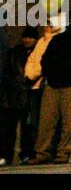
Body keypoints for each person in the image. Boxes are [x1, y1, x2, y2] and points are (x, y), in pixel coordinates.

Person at [31, 0, 71, 165]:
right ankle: (43, 153)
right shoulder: (57, 39)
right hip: (54, 84)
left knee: (69, 121)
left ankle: (62, 153)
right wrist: (50, 72)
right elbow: (45, 59)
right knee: (47, 121)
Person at [1, 28, 40, 166]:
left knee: (28, 127)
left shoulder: (37, 51)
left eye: (30, 38)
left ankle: (26, 153)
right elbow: (8, 73)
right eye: (25, 37)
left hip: (30, 94)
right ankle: (6, 154)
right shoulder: (14, 52)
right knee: (9, 127)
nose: (27, 40)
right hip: (14, 94)